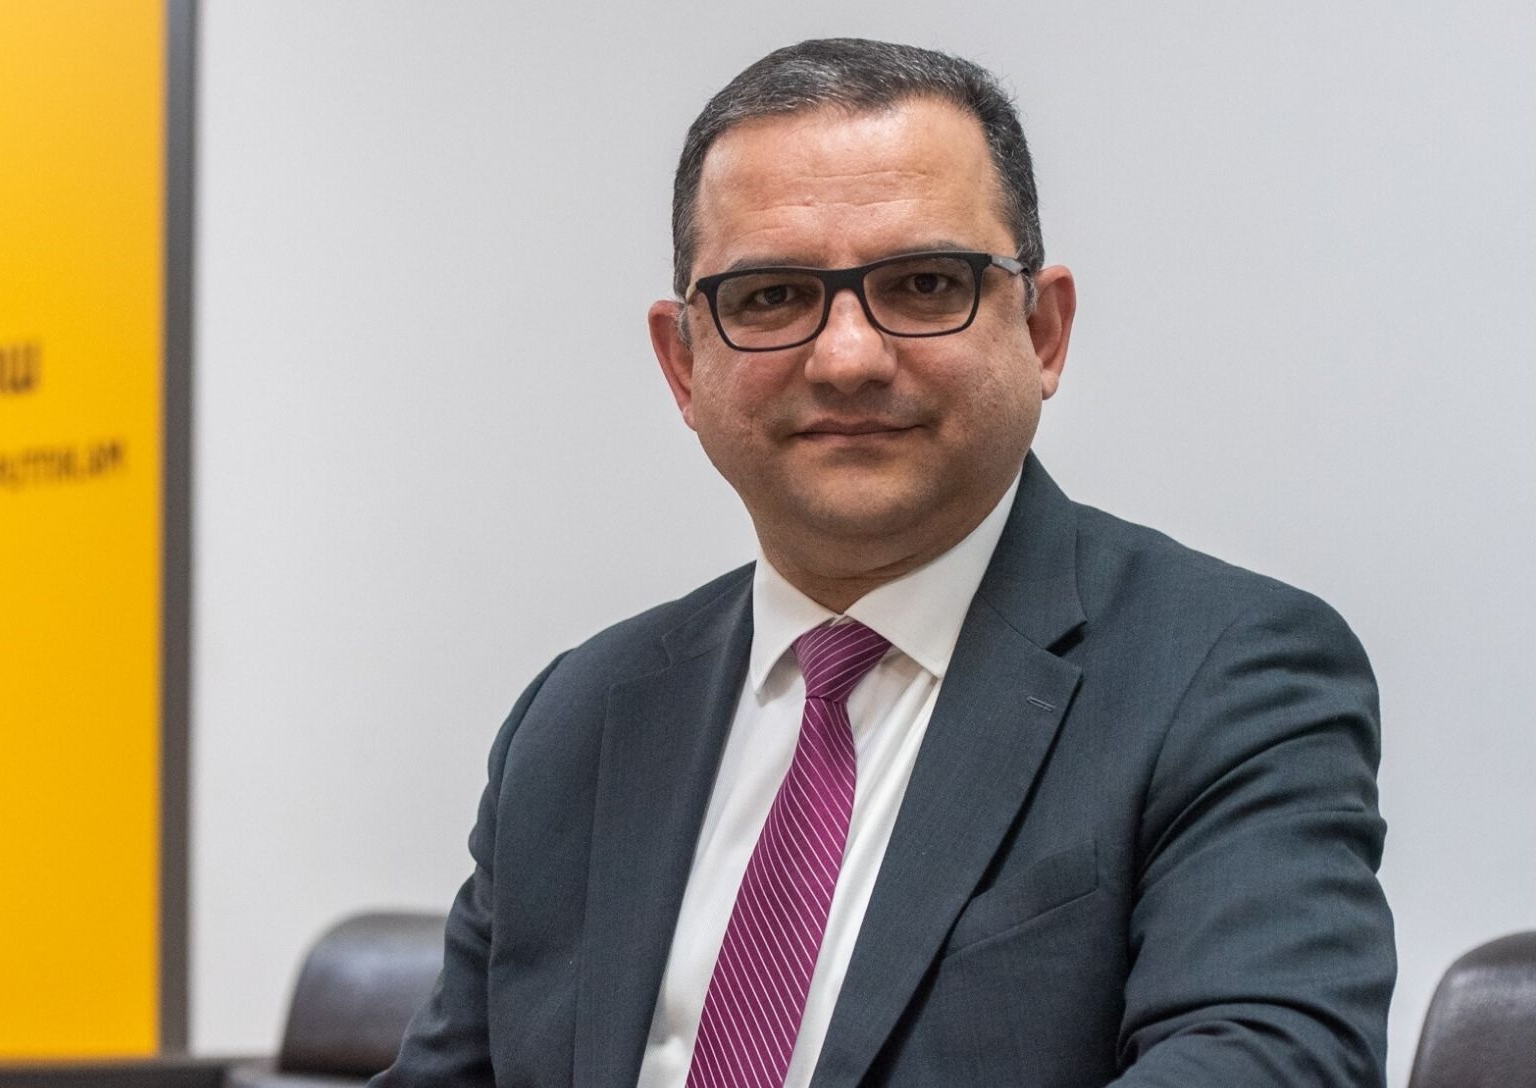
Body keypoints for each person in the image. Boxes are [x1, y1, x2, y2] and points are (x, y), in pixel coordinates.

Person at [373, 38, 1394, 1088]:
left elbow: (1268, 1060)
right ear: (683, 365)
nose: (848, 357)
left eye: (923, 283)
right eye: (771, 295)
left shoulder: (1224, 675)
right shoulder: (579, 717)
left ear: (1043, 332)